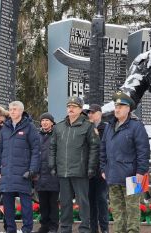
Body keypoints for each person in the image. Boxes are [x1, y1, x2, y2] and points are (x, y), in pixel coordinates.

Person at [100, 91, 150, 233]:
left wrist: (141, 172)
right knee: (117, 213)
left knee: (132, 212)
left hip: (133, 177)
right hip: (113, 176)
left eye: (121, 106)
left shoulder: (136, 126)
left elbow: (143, 151)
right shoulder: (109, 126)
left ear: (128, 109)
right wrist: (103, 169)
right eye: (116, 106)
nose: (117, 109)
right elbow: (103, 149)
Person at [49, 96, 99, 233]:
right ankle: (65, 228)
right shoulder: (58, 127)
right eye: (69, 106)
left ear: (81, 109)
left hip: (80, 171)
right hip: (63, 171)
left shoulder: (88, 126)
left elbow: (94, 148)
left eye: (74, 106)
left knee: (83, 202)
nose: (70, 108)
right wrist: (52, 166)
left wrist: (91, 167)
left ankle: (84, 229)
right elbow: (52, 147)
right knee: (65, 203)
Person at [0, 101, 40, 233]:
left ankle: (27, 229)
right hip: (7, 171)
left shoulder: (30, 127)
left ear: (21, 111)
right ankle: (10, 229)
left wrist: (32, 170)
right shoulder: (5, 128)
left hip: (23, 172)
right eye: (10, 109)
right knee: (7, 205)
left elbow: (35, 150)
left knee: (26, 204)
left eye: (15, 109)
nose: (12, 111)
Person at [34, 113, 59, 233]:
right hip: (40, 175)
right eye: (43, 120)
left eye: (47, 120)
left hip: (53, 174)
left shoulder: (57, 135)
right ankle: (44, 225)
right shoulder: (36, 136)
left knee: (53, 203)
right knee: (43, 203)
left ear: (52, 122)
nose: (44, 122)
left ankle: (53, 226)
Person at [86, 104, 109, 233]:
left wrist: (97, 136)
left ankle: (105, 229)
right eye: (89, 112)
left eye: (93, 112)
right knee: (90, 202)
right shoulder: (86, 128)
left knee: (101, 200)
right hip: (88, 171)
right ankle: (93, 229)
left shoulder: (106, 128)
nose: (90, 115)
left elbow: (106, 148)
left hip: (101, 171)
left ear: (99, 113)